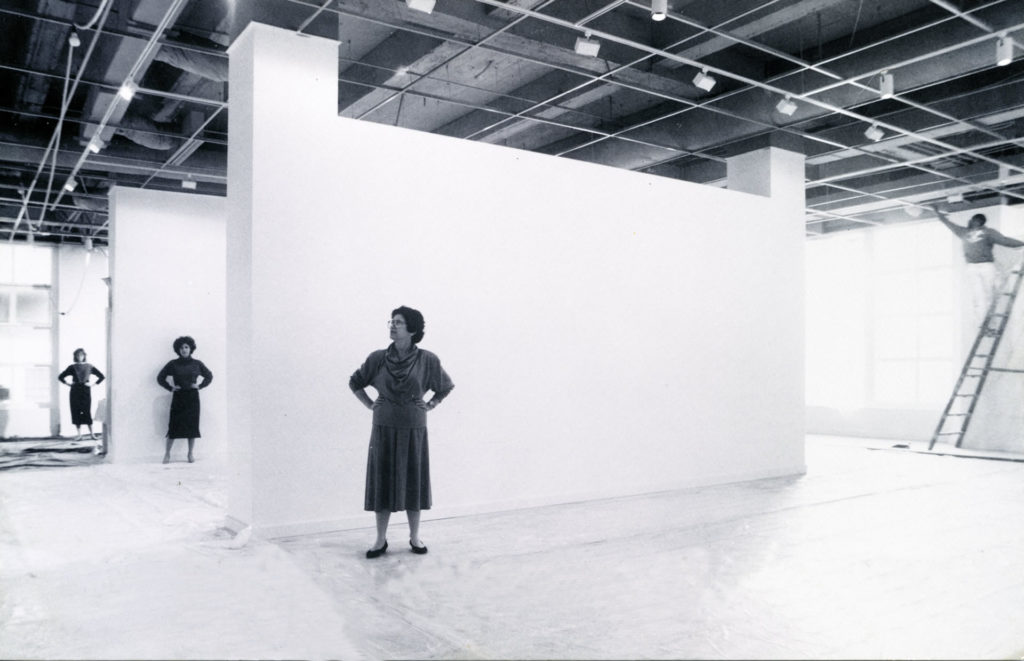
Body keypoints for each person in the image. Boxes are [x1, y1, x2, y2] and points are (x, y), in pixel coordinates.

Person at [350, 306, 454, 558]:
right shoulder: (377, 357)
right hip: (383, 426)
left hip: (413, 427)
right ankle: (380, 540)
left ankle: (415, 537)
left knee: (413, 479)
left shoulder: (428, 359)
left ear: (413, 330)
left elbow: (445, 386)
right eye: (391, 321)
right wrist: (370, 404)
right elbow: (355, 381)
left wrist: (430, 404)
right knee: (382, 480)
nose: (392, 325)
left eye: (398, 322)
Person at [932, 204, 1024, 331]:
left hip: (983, 266)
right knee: (981, 296)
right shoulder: (966, 232)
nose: (969, 222)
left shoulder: (982, 232)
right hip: (976, 267)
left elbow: (1005, 241)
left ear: (976, 221)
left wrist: (938, 213)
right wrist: (937, 213)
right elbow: (948, 224)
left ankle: (989, 323)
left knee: (984, 296)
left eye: (971, 220)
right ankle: (984, 323)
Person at [156, 335, 213, 464]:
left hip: (192, 398)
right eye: (181, 347)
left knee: (192, 427)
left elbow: (209, 376)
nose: (184, 350)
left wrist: (200, 386)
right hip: (179, 397)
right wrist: (171, 388)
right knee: (174, 427)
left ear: (191, 348)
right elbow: (160, 378)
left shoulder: (197, 364)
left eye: (186, 347)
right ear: (178, 349)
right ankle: (167, 454)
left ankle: (190, 454)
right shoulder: (173, 364)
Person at [57, 348, 105, 441]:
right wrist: (68, 384)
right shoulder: (72, 367)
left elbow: (101, 376)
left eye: (81, 355)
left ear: (84, 356)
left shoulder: (89, 366)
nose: (80, 357)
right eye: (78, 355)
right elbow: (60, 377)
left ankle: (92, 434)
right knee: (76, 411)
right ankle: (79, 434)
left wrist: (92, 385)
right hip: (75, 390)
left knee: (87, 411)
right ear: (75, 357)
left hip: (86, 390)